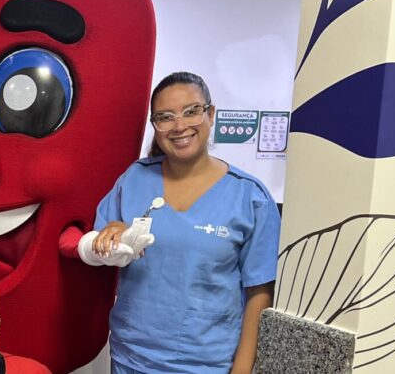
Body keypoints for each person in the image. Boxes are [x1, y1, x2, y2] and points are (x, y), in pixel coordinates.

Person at [89, 72, 278, 373]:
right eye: (165, 117)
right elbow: (95, 247)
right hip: (131, 358)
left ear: (211, 114)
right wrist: (114, 235)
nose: (179, 126)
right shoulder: (134, 179)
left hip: (205, 364)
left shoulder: (251, 198)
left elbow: (259, 294)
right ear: (154, 125)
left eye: (191, 111)